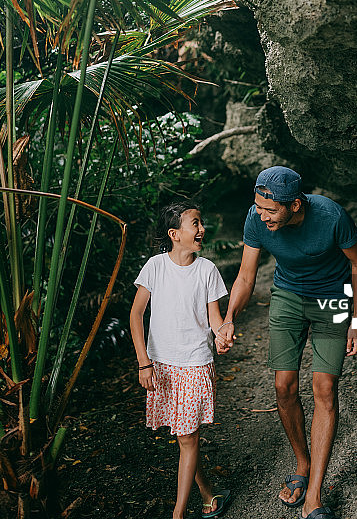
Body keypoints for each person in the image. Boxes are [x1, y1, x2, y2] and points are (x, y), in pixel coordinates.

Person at [217, 166, 357, 519]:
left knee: (324, 387)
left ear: (296, 205)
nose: (262, 215)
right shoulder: (256, 218)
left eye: (271, 210)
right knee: (284, 387)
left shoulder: (332, 216)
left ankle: (314, 494)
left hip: (332, 301)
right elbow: (246, 274)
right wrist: (228, 318)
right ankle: (302, 462)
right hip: (287, 296)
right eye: (258, 207)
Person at [130, 202, 233, 519]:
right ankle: (208, 495)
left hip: (194, 364)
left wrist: (222, 334)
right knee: (183, 436)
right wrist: (144, 363)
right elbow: (135, 315)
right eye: (195, 223)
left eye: (201, 223)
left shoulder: (207, 270)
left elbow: (214, 318)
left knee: (187, 438)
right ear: (175, 234)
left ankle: (178, 514)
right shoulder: (155, 266)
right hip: (161, 365)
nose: (202, 229)